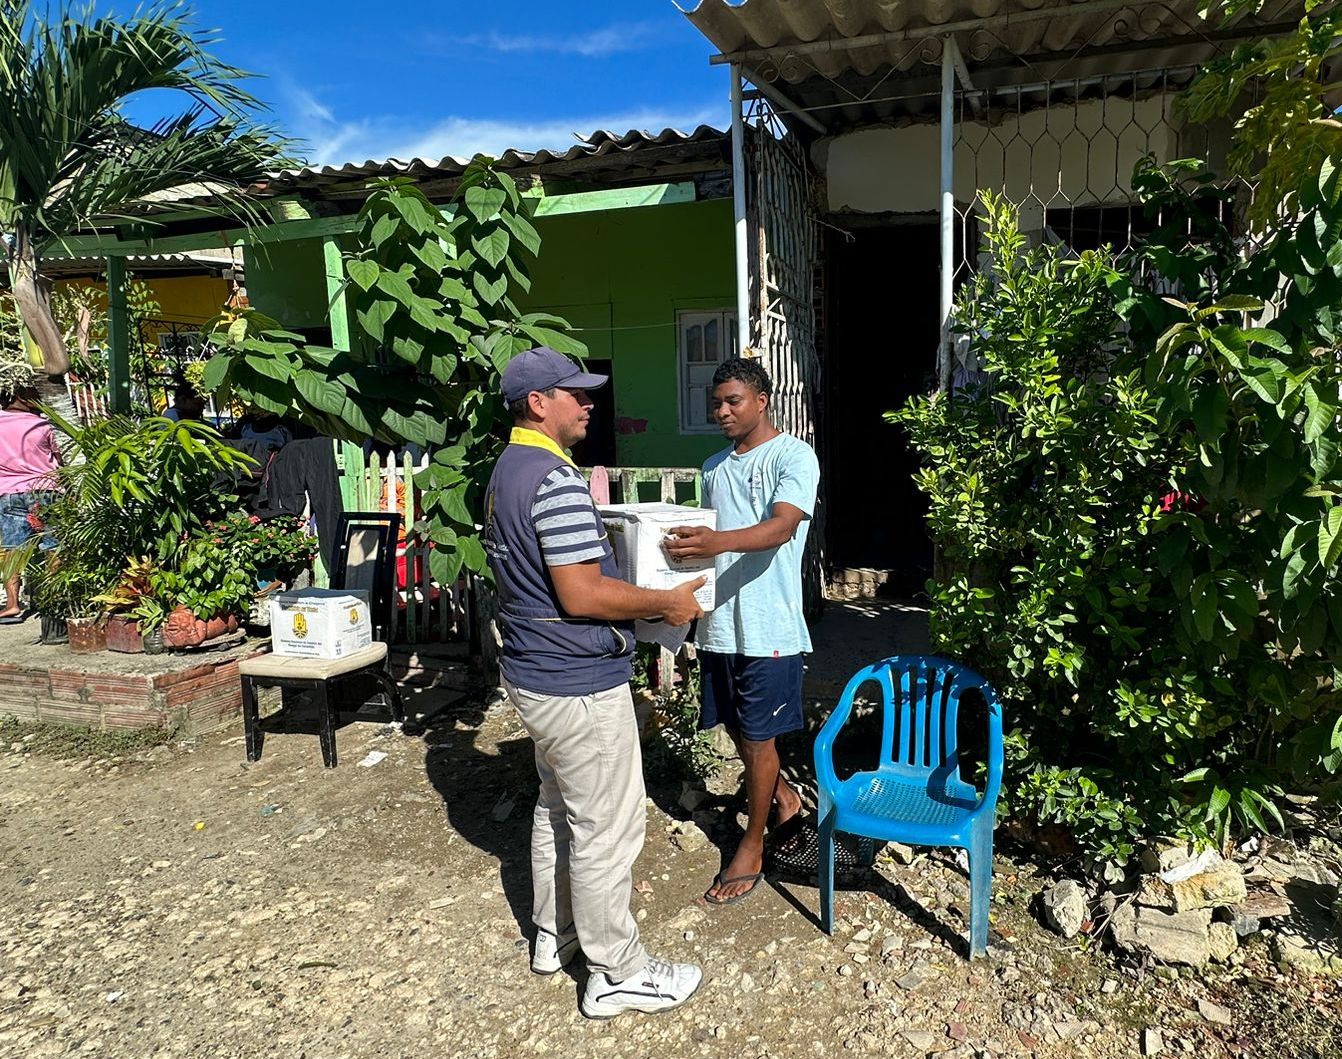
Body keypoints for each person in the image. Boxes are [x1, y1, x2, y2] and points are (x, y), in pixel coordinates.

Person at [483, 346, 707, 1020]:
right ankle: (617, 971)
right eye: (573, 394)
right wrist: (664, 604)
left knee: (559, 808)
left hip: (533, 671)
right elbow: (581, 593)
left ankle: (556, 933)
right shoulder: (552, 479)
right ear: (536, 404)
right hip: (574, 679)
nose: (587, 404)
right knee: (606, 827)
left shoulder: (505, 472)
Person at [664, 357, 820, 905]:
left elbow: (781, 526)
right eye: (716, 402)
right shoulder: (712, 466)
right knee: (734, 727)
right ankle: (784, 800)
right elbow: (707, 539)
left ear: (762, 400)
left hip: (770, 623)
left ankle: (751, 844)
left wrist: (715, 544)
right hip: (719, 622)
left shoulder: (792, 455)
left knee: (759, 736)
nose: (722, 411)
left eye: (733, 401)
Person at [0, 385, 61, 622]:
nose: (39, 399)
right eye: (34, 395)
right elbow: (59, 458)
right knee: (53, 545)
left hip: (9, 493)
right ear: (21, 397)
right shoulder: (42, 425)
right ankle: (55, 598)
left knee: (14, 550)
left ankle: (13, 604)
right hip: (47, 490)